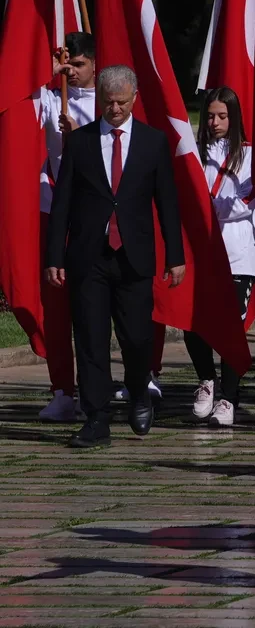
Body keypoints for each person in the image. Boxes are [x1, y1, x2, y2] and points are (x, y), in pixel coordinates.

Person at [44, 65, 185, 449]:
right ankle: (96, 418)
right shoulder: (81, 142)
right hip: (89, 256)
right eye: (108, 103)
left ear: (134, 98)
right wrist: (55, 255)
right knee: (90, 339)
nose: (115, 109)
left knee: (137, 337)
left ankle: (138, 390)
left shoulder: (153, 143)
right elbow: (62, 203)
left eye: (122, 102)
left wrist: (175, 255)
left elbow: (167, 203)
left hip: (133, 257)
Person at [36, 34, 99, 421]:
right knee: (56, 305)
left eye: (78, 64)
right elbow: (15, 102)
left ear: (94, 64)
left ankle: (104, 388)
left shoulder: (109, 102)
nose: (71, 72)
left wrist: (79, 138)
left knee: (97, 304)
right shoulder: (50, 98)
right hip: (54, 210)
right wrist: (46, 73)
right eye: (66, 64)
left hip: (95, 214)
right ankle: (62, 390)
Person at [191, 87, 255, 427]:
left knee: (231, 329)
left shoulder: (249, 155)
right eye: (210, 116)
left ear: (234, 117)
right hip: (200, 251)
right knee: (193, 323)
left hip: (237, 254)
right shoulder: (195, 154)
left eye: (222, 116)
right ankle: (206, 380)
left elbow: (245, 203)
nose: (215, 123)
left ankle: (229, 398)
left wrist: (208, 207)